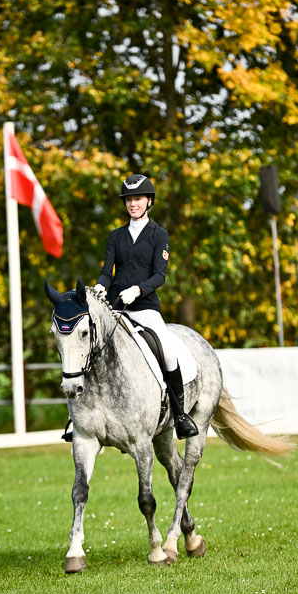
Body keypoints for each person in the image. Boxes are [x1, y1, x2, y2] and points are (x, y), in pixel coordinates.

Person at [94, 174, 198, 439]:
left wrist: (138, 290)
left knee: (169, 354)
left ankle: (180, 415)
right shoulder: (115, 236)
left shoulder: (158, 234)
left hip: (145, 307)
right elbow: (108, 271)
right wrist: (100, 287)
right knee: (90, 348)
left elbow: (159, 275)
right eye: (129, 200)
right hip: (116, 307)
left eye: (138, 199)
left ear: (148, 201)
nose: (133, 204)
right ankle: (78, 417)